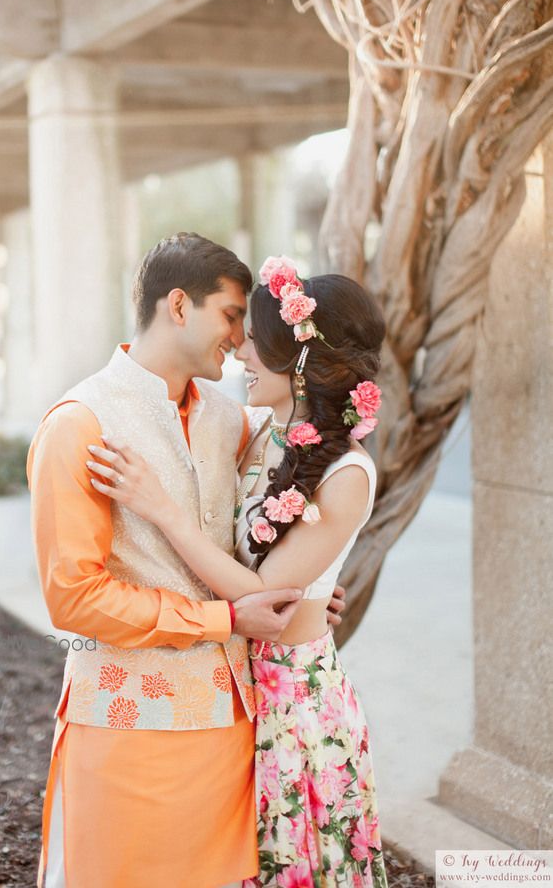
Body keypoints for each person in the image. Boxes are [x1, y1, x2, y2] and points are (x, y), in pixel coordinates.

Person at [27, 234, 347, 888]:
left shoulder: (230, 421)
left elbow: (251, 541)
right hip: (129, 730)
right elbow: (75, 600)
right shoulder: (79, 424)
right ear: (178, 305)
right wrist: (224, 619)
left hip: (234, 727)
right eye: (231, 315)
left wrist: (302, 597)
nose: (241, 337)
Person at [88, 256, 389, 888]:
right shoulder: (258, 432)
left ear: (298, 361)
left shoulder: (347, 476)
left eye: (255, 341)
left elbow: (260, 593)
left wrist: (162, 511)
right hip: (232, 681)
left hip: (292, 702)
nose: (240, 350)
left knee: (291, 862)